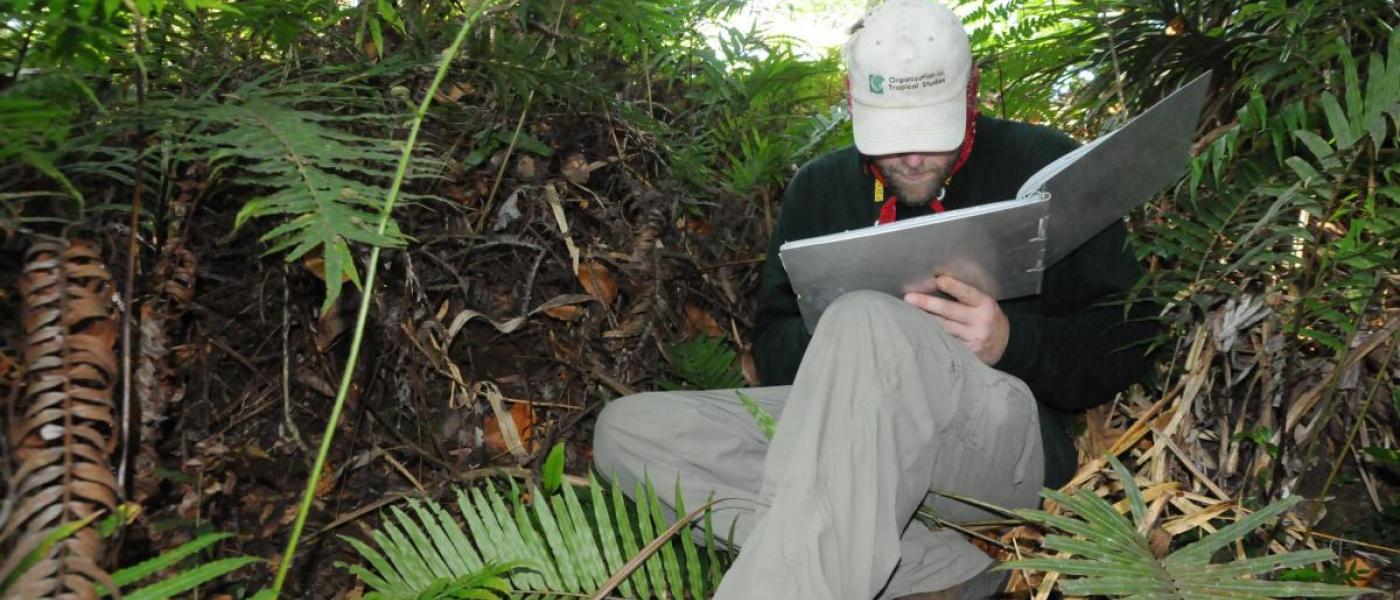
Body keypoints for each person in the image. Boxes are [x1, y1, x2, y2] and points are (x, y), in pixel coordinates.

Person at [592, 0, 1158, 598]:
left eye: (931, 135)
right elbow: (775, 345)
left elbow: (1132, 335)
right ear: (851, 100)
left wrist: (1009, 341)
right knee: (629, 432)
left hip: (998, 443)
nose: (912, 158)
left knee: (865, 320)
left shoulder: (1040, 164)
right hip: (850, 424)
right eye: (892, 137)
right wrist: (845, 337)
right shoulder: (819, 189)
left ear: (971, 93)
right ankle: (933, 568)